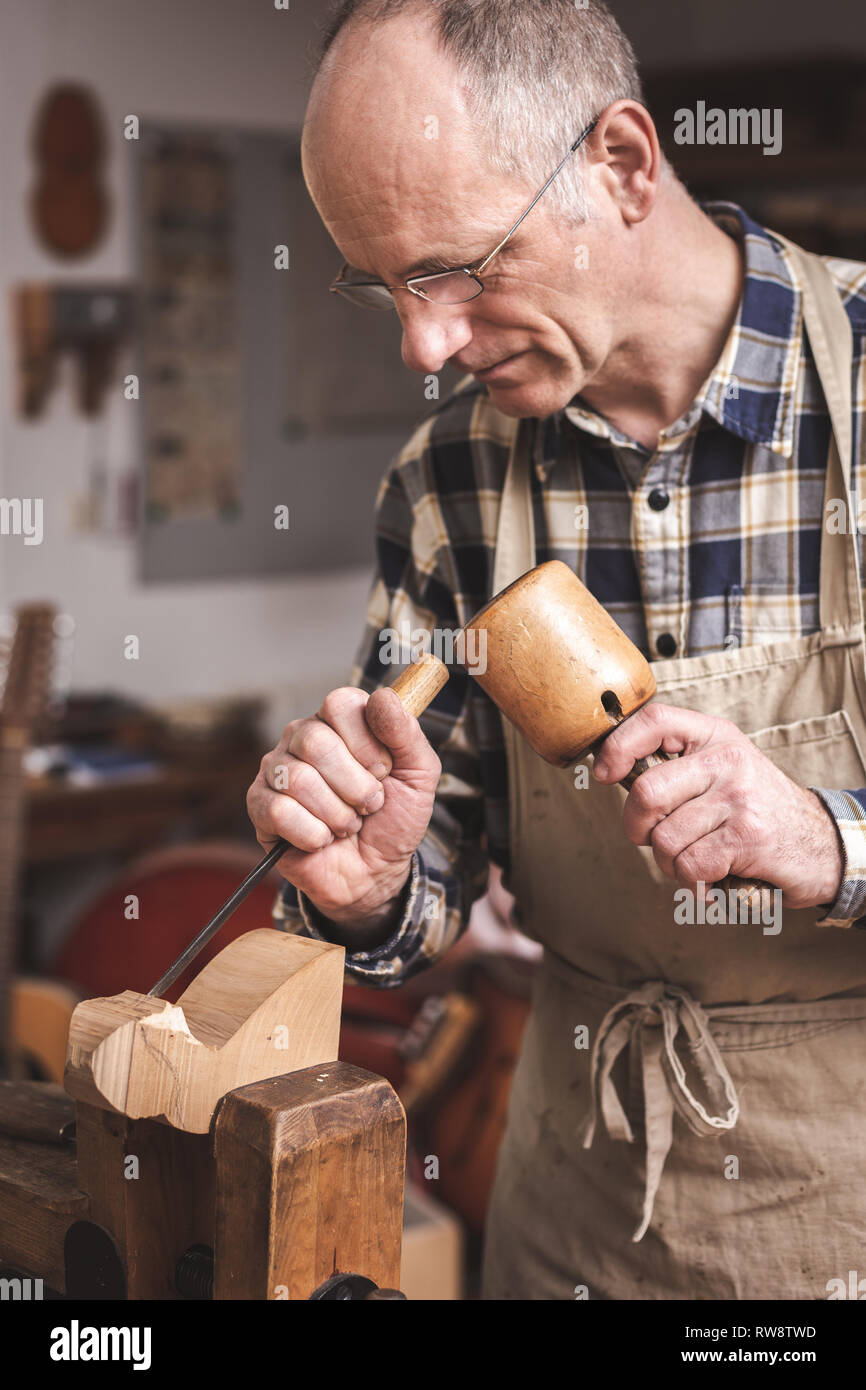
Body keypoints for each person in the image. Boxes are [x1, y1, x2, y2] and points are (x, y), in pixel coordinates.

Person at [246, 0, 866, 1299]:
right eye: (385, 288)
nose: (423, 346)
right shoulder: (450, 482)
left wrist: (827, 838)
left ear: (623, 164)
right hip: (574, 1214)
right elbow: (424, 896)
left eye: (460, 266)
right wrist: (370, 885)